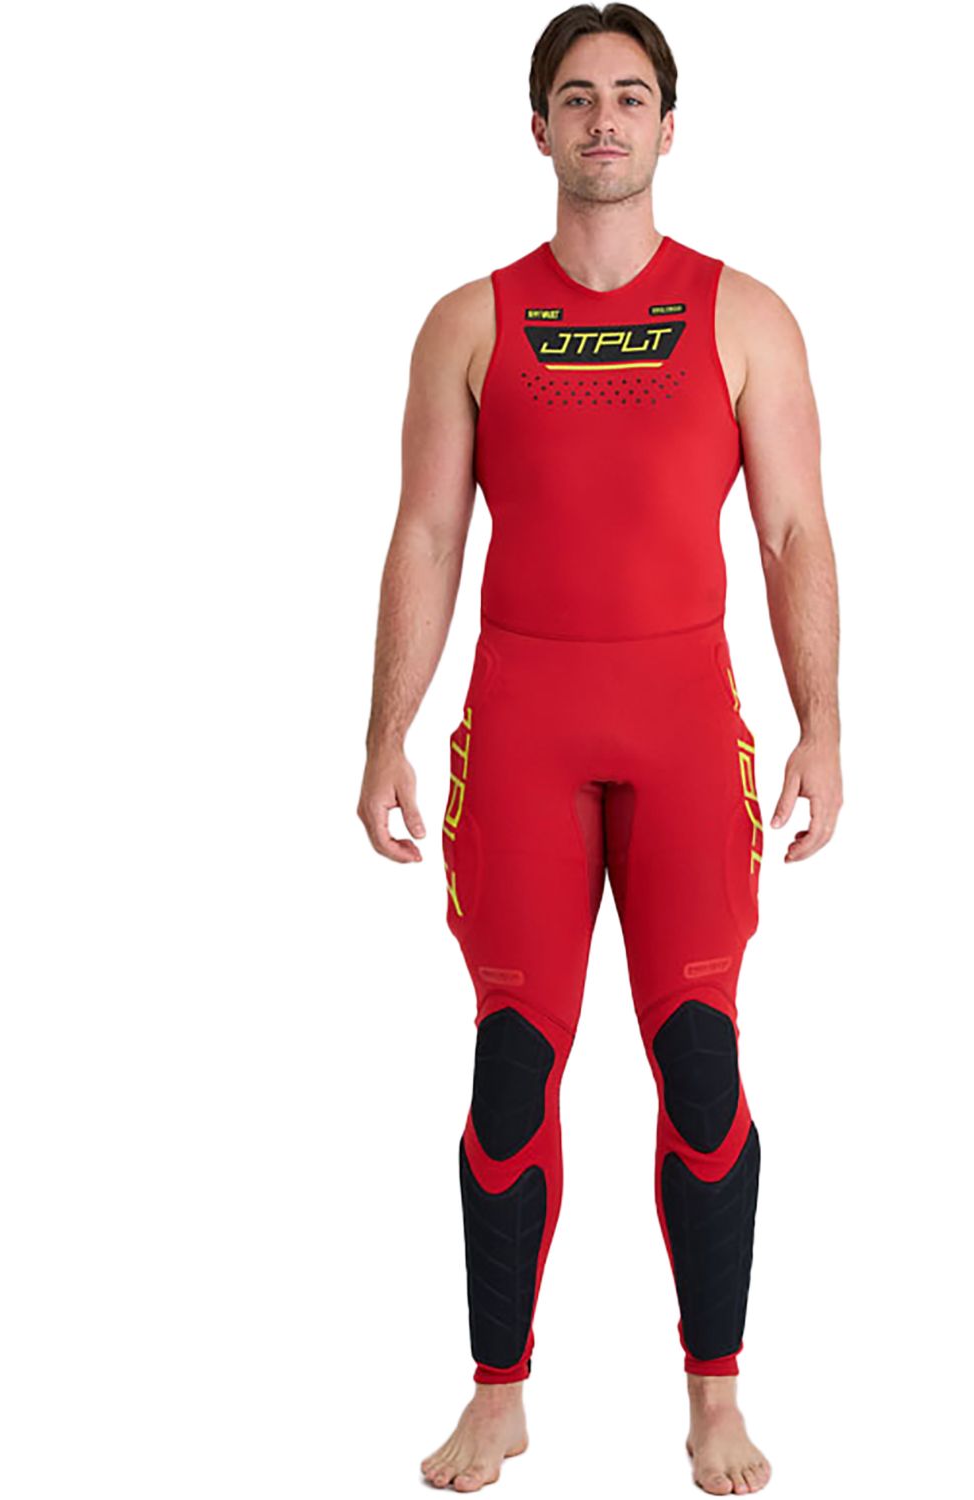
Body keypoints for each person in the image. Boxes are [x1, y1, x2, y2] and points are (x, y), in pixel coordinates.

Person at [358, 5, 840, 1492]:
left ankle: (715, 1398)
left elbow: (793, 531)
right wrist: (385, 734)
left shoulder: (746, 315)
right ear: (540, 128)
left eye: (631, 96)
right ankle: (498, 1394)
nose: (605, 119)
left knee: (699, 1058)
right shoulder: (471, 321)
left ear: (669, 127)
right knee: (514, 1063)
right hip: (523, 727)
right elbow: (427, 535)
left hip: (688, 725)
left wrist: (824, 722)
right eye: (578, 97)